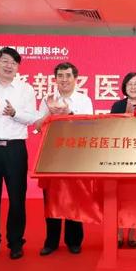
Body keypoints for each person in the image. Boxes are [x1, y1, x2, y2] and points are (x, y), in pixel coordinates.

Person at [0, 47, 39, 262]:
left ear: (18, 67)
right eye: (4, 61)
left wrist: (15, 113)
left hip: (15, 149)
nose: (9, 66)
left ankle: (16, 243)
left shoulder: (25, 89)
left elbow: (32, 118)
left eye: (13, 62)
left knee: (17, 199)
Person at [36, 62, 93, 256]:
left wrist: (69, 114)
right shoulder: (48, 99)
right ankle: (51, 241)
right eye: (60, 76)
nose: (64, 79)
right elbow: (38, 126)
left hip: (75, 156)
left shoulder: (84, 100)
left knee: (74, 198)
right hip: (52, 155)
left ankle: (74, 240)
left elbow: (90, 127)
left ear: (75, 79)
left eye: (68, 75)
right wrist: (49, 114)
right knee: (52, 198)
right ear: (55, 79)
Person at [110, 72, 136, 248]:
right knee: (119, 196)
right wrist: (125, 117)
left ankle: (132, 232)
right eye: (130, 84)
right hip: (121, 156)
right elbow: (112, 129)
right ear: (125, 86)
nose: (133, 87)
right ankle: (118, 232)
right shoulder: (117, 105)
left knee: (135, 196)